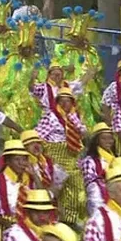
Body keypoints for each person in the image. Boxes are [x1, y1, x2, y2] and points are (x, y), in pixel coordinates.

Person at [34, 86, 88, 226]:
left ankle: (72, 218)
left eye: (68, 101)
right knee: (57, 189)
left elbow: (82, 133)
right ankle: (60, 220)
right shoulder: (50, 117)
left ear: (72, 103)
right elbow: (37, 135)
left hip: (72, 156)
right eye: (61, 101)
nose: (65, 104)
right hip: (56, 155)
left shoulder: (75, 116)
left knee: (77, 187)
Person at [79, 123, 116, 216]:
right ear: (97, 141)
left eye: (110, 138)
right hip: (98, 198)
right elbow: (90, 185)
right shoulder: (89, 161)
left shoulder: (115, 159)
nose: (108, 141)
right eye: (104, 138)